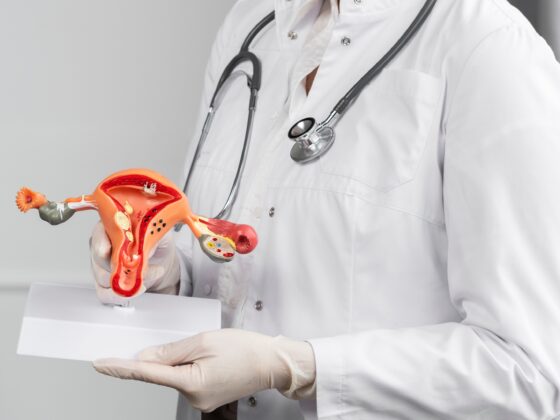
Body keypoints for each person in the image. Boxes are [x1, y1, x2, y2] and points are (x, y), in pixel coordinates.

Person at [91, 0, 560, 419]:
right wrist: (166, 270)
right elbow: (225, 268)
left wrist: (296, 368)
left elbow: (528, 370)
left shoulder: (489, 47)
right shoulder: (251, 23)